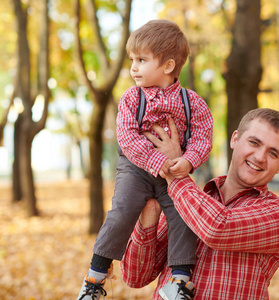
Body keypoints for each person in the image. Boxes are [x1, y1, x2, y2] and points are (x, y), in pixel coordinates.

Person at [77, 20, 213, 300]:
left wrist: (187, 161)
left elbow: (203, 136)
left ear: (167, 66)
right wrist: (155, 160)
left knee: (183, 216)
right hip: (136, 168)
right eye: (132, 60)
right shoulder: (131, 99)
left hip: (173, 172)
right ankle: (95, 277)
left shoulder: (192, 102)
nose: (133, 67)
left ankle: (180, 280)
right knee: (122, 211)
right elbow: (127, 137)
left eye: (141, 60)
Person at [121, 108, 279, 299]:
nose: (260, 157)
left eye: (273, 153)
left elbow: (218, 228)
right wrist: (150, 212)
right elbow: (135, 277)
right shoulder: (188, 198)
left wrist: (172, 169)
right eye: (254, 143)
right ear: (235, 139)